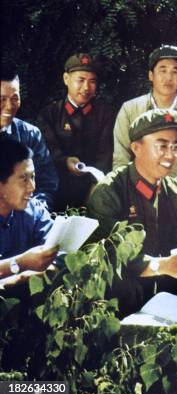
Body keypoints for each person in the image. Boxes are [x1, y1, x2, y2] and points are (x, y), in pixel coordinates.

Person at [87, 109, 177, 317]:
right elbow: (111, 257)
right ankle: (123, 345)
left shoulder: (173, 189)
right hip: (128, 282)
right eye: (162, 146)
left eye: (176, 146)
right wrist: (163, 265)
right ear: (136, 148)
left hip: (162, 279)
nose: (170, 155)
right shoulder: (110, 191)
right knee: (121, 285)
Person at [112, 45, 177, 176]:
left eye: (175, 71)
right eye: (163, 70)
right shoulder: (130, 109)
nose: (169, 77)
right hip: (139, 188)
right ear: (151, 75)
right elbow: (121, 159)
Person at [37, 53, 114, 211]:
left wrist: (96, 188)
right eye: (81, 80)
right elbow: (48, 151)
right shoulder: (49, 113)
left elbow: (105, 155)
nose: (86, 87)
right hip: (57, 190)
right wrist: (65, 161)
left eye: (92, 81)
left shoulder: (105, 114)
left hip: (94, 189)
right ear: (66, 79)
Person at [0, 138, 57, 287]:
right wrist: (20, 265)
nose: (32, 187)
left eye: (32, 177)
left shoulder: (34, 211)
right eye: (24, 179)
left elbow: (58, 253)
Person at [1, 71, 58, 209]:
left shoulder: (30, 135)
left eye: (15, 98)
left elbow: (47, 185)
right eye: (1, 99)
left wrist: (32, 212)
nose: (9, 106)